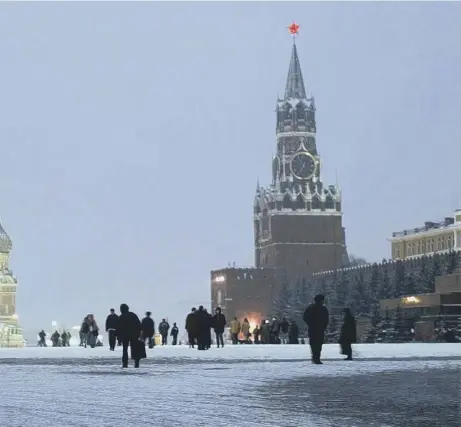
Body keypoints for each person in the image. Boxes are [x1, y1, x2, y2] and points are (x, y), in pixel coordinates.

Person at [116, 303, 144, 368]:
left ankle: (125, 363)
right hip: (134, 335)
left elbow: (118, 328)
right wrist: (139, 333)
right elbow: (139, 325)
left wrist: (118, 338)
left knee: (125, 350)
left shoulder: (121, 317)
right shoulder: (133, 315)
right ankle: (136, 363)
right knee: (135, 349)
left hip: (125, 336)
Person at [303, 294, 329, 364]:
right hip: (318, 329)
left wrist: (310, 324)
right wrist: (324, 326)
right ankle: (316, 358)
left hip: (313, 328)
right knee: (318, 344)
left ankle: (315, 357)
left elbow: (305, 317)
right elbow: (326, 319)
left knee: (314, 343)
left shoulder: (311, 307)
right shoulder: (322, 308)